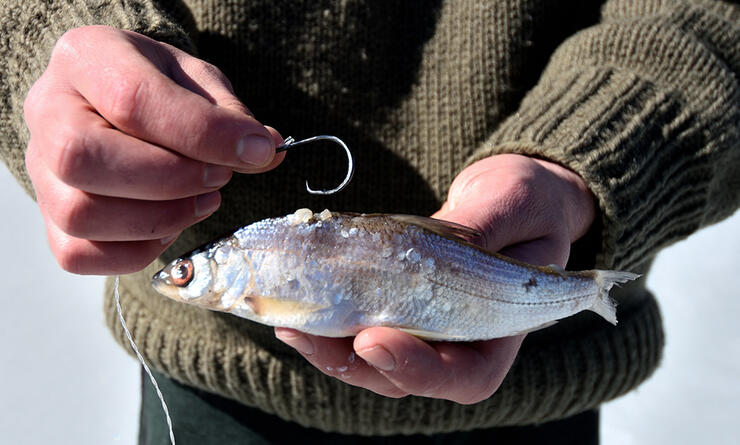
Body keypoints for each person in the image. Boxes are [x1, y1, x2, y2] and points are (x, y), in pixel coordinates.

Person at [1, 1, 738, 443]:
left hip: (542, 394)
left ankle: (578, 286)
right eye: (187, 276)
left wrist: (592, 159)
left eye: (190, 275)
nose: (182, 280)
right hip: (211, 400)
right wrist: (53, 55)